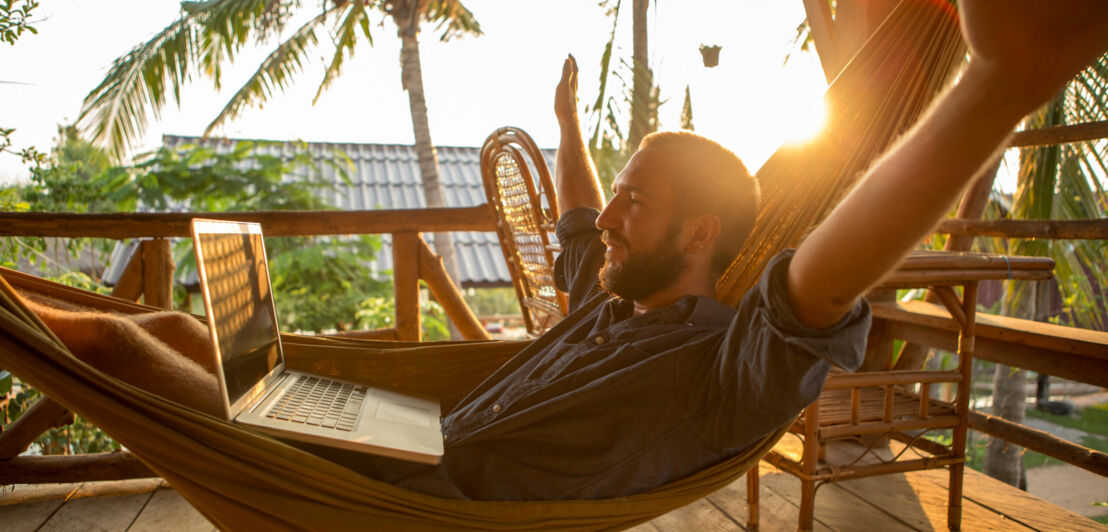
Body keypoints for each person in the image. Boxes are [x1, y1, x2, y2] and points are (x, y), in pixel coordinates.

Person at [24, 0, 1108, 502]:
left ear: (695, 236)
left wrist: (994, 89)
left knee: (122, 359)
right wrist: (569, 118)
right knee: (169, 324)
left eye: (641, 202)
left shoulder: (717, 367)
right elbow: (587, 222)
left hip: (417, 506)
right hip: (408, 440)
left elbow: (823, 276)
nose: (608, 219)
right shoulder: (611, 298)